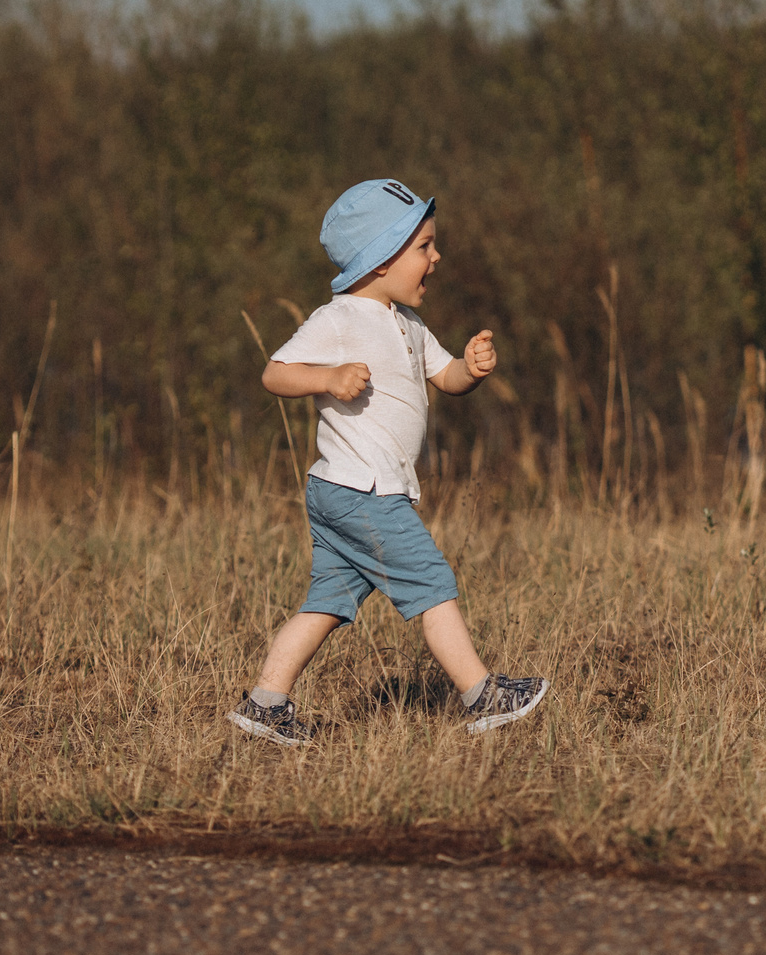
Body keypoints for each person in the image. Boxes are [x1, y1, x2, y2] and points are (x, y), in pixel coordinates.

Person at [228, 179, 549, 744]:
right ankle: (484, 694)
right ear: (381, 259)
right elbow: (275, 373)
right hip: (363, 490)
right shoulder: (340, 318)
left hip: (344, 490)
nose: (436, 257)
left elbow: (444, 378)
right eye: (424, 247)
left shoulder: (409, 324)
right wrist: (326, 378)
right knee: (430, 581)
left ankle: (264, 703)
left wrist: (471, 371)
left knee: (328, 602)